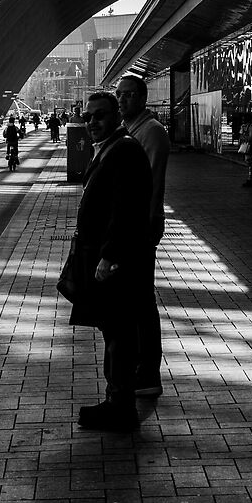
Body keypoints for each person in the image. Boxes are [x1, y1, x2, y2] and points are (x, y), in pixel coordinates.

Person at [69, 90, 152, 432]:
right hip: (106, 259)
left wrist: (109, 256)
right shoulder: (112, 149)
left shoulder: (125, 151)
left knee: (119, 333)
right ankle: (117, 401)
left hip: (117, 263)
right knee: (113, 330)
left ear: (117, 115)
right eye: (88, 117)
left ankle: (121, 406)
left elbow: (127, 210)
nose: (92, 123)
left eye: (99, 115)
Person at [116, 71, 170, 404]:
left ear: (142, 97)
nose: (122, 100)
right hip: (133, 223)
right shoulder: (132, 131)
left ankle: (148, 371)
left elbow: (148, 184)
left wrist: (146, 224)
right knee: (135, 299)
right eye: (119, 95)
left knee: (141, 301)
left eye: (128, 95)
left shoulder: (150, 133)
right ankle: (141, 367)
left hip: (140, 224)